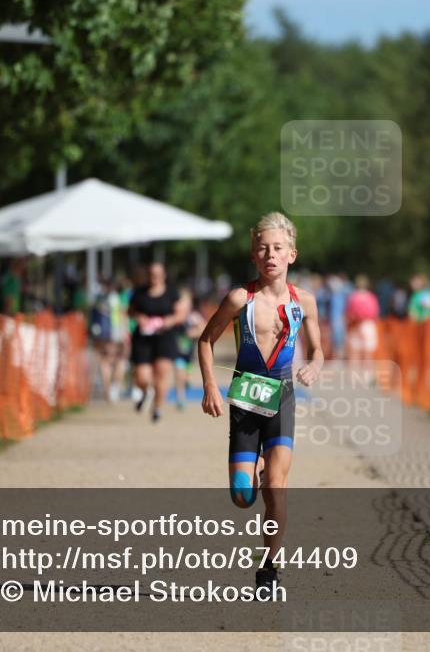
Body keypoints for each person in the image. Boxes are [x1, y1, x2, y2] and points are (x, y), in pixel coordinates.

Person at [197, 211, 323, 598]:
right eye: (263, 248)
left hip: (282, 396)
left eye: (278, 248)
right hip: (246, 399)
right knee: (241, 496)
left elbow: (318, 350)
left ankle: (268, 567)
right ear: (254, 255)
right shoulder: (240, 298)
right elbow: (205, 340)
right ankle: (258, 466)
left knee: (277, 488)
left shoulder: (305, 301)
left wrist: (315, 366)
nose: (270, 254)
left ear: (291, 255)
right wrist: (210, 387)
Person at [129, 262, 186, 423]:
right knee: (141, 376)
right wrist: (139, 317)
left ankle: (158, 408)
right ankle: (146, 391)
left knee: (161, 374)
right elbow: (130, 311)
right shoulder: (139, 292)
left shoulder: (171, 292)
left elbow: (181, 313)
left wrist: (171, 320)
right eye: (152, 274)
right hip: (143, 339)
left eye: (158, 274)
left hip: (164, 338)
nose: (154, 277)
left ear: (163, 276)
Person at [172, 288, 207, 411]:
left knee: (185, 376)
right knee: (178, 373)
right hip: (176, 351)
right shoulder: (174, 315)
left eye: (185, 302)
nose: (182, 304)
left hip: (189, 353)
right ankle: (180, 398)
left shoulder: (193, 316)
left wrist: (191, 333)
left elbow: (203, 329)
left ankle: (186, 381)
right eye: (180, 301)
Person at [345, 274, 380, 362]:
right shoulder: (371, 296)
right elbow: (375, 312)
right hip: (367, 323)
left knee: (355, 350)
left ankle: (355, 372)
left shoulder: (353, 296)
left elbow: (349, 312)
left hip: (355, 324)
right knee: (368, 350)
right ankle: (366, 371)